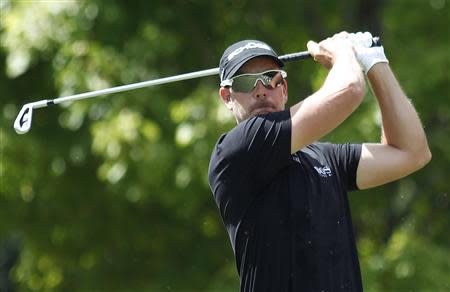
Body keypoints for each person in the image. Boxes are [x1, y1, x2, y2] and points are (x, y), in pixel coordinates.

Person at [208, 32, 431, 292]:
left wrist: (374, 62)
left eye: (271, 78)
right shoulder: (236, 151)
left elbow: (411, 152)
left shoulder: (323, 157)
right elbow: (350, 90)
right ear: (226, 97)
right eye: (246, 82)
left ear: (284, 89)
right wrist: (343, 52)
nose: (260, 90)